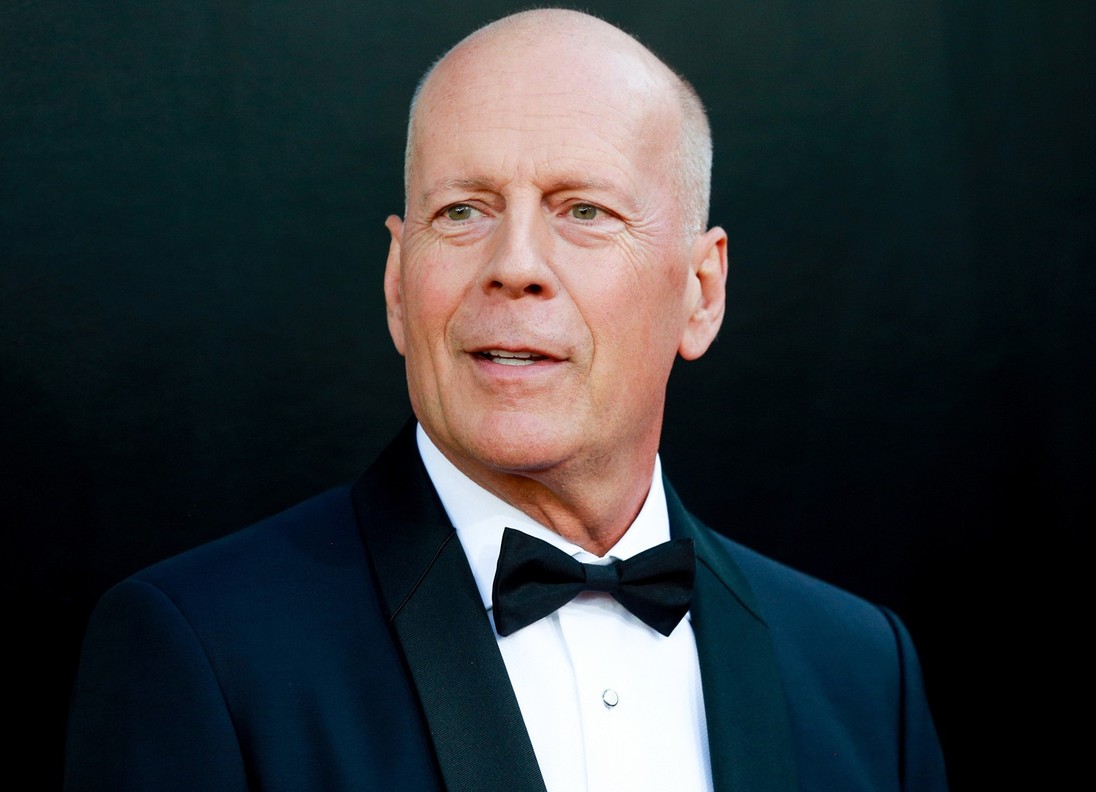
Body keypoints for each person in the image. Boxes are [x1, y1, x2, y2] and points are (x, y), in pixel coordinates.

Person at [64, 8, 948, 791]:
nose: (515, 264)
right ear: (396, 284)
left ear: (700, 290)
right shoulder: (200, 654)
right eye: (462, 211)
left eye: (585, 211)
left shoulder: (865, 672)